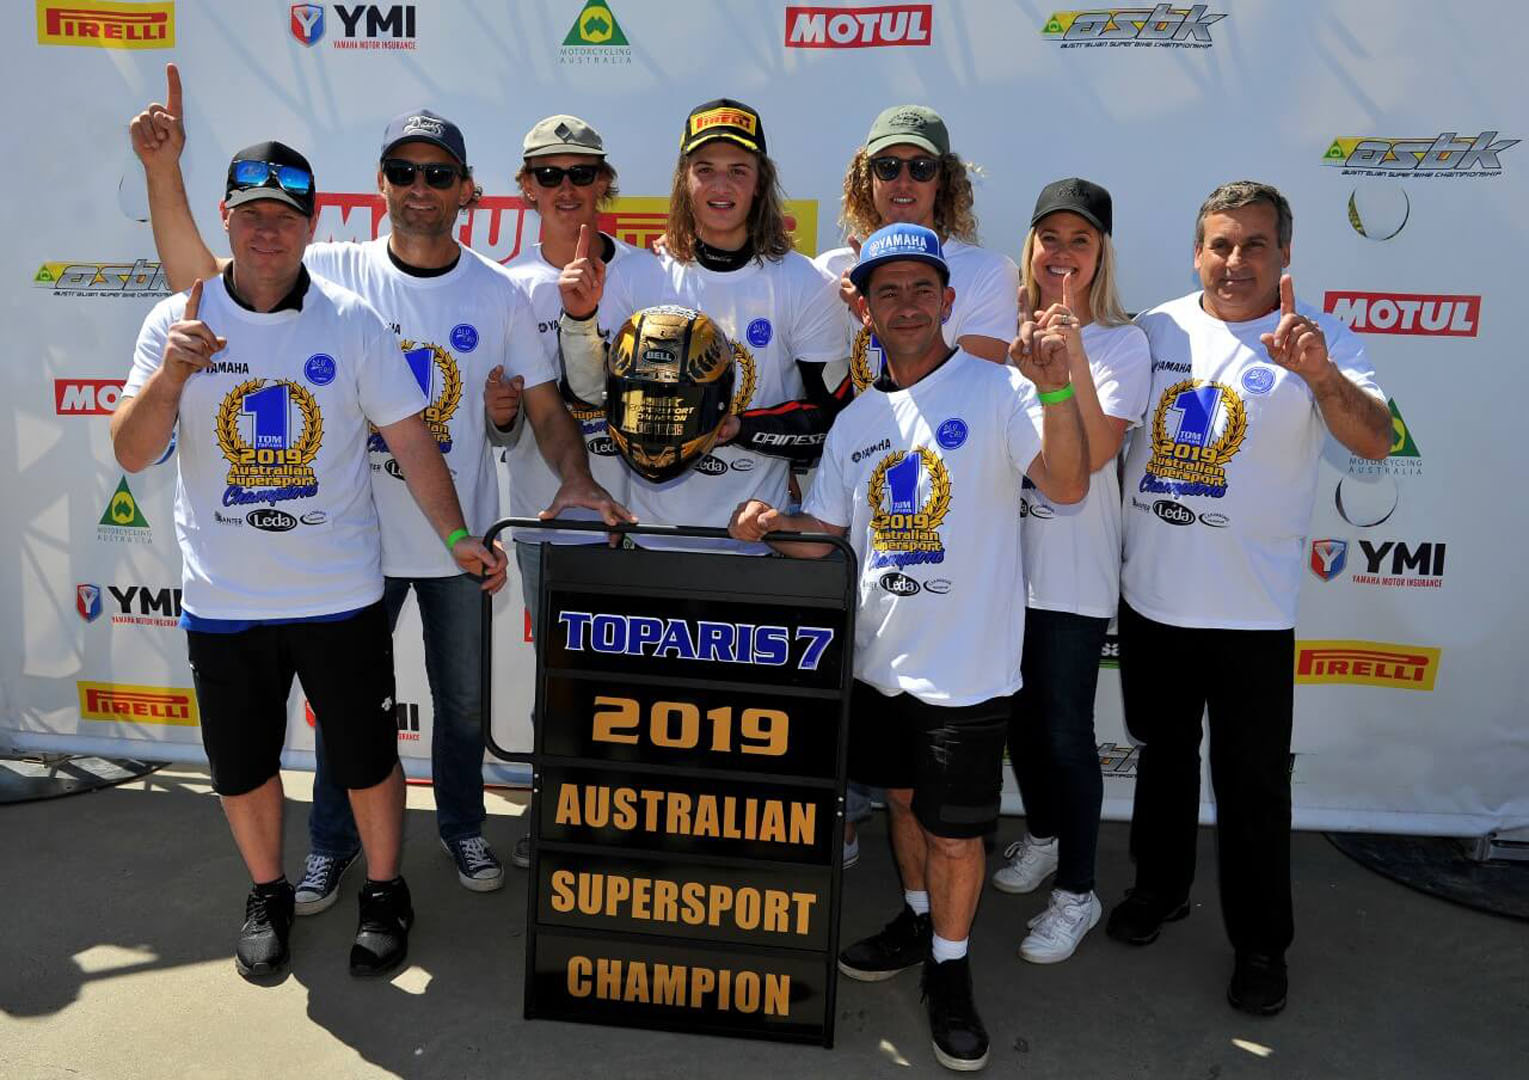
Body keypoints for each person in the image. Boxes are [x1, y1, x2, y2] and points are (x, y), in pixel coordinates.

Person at [128, 67, 630, 908]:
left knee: (461, 709)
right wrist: (162, 171)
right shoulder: (328, 267)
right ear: (381, 184)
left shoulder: (498, 292)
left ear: (466, 188)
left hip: (453, 539)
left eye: (438, 173)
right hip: (351, 551)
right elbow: (202, 280)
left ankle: (461, 828)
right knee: (348, 722)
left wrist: (575, 476)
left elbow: (545, 409)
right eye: (404, 170)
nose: (420, 186)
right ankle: (331, 848)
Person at [111, 141, 506, 978]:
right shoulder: (176, 320)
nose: (267, 231)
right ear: (225, 220)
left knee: (366, 758)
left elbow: (412, 439)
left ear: (311, 226)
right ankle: (266, 892)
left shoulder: (351, 319)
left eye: (284, 217)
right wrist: (173, 375)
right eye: (251, 215)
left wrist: (455, 538)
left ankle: (386, 891)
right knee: (242, 766)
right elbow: (132, 451)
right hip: (225, 598)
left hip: (338, 593)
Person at [728, 223, 1089, 1071]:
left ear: (948, 300)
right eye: (885, 291)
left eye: (920, 289)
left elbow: (1068, 484)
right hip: (878, 664)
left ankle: (950, 973)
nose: (905, 305)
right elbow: (827, 537)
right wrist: (769, 526)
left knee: (955, 836)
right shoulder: (857, 419)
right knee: (899, 805)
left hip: (966, 672)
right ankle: (920, 922)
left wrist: (1058, 393)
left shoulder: (1000, 388)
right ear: (866, 312)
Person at [1108, 181, 1392, 1015]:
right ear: (1197, 252)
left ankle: (1262, 946)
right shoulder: (1153, 329)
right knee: (1163, 761)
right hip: (1152, 600)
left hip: (1252, 616)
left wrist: (1320, 376)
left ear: (1284, 254)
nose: (1235, 261)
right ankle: (1158, 890)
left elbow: (1375, 441)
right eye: (1220, 245)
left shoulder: (1318, 338)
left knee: (1253, 787)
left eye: (1254, 245)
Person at [813, 104, 1021, 865]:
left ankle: (946, 894)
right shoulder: (826, 270)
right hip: (855, 500)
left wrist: (877, 315)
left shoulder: (984, 271)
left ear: (946, 179)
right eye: (887, 166)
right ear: (863, 177)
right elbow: (820, 394)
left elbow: (964, 394)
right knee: (871, 720)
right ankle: (868, 842)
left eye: (921, 166)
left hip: (948, 516)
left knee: (943, 802)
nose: (903, 180)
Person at [557, 98, 845, 554]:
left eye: (738, 170)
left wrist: (737, 428)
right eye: (705, 169)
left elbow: (832, 422)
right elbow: (589, 396)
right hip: (650, 541)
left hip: (757, 544)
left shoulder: (803, 282)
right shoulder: (637, 275)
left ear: (760, 182)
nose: (721, 185)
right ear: (683, 180)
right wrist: (579, 319)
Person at [990, 179, 1150, 966]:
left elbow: (1090, 456)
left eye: (1079, 241)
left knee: (1062, 730)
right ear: (1030, 247)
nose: (1062, 253)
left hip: (1072, 572)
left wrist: (1071, 352)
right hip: (998, 568)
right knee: (1018, 723)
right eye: (1049, 237)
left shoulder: (1124, 343)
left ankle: (1077, 892)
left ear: (1100, 255)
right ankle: (1046, 835)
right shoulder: (995, 336)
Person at [501, 113, 655, 868]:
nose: (567, 187)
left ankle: (642, 817)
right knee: (563, 680)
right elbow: (505, 424)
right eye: (549, 174)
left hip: (648, 518)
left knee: (646, 684)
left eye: (581, 173)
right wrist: (500, 413)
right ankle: (559, 810)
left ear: (605, 183)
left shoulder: (652, 275)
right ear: (526, 187)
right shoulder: (504, 285)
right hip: (552, 521)